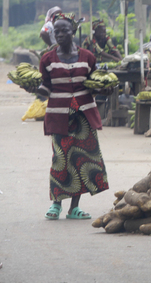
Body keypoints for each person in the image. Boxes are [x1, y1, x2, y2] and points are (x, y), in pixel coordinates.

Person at [29, 13, 111, 220]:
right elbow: (45, 87)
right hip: (59, 117)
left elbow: (94, 83)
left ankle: (74, 208)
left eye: (64, 30)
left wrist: (106, 88)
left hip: (84, 116)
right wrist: (36, 89)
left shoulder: (88, 57)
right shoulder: (47, 59)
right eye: (56, 31)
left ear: (73, 31)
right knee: (61, 158)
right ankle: (56, 204)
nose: (60, 34)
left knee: (84, 160)